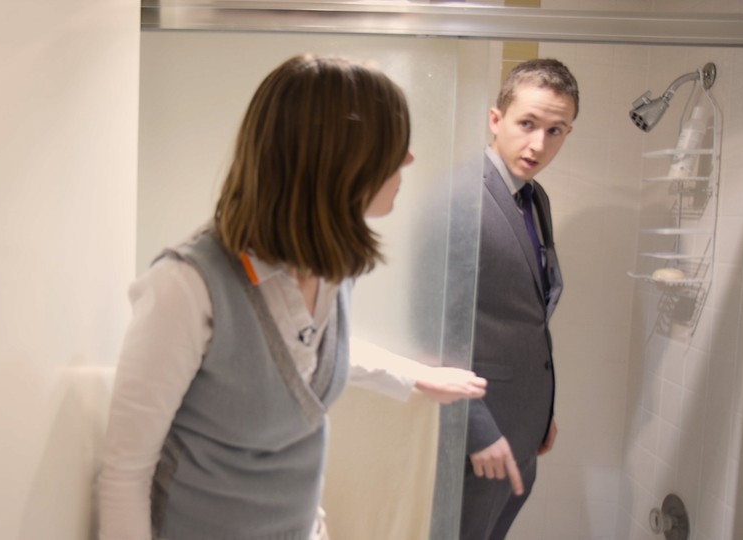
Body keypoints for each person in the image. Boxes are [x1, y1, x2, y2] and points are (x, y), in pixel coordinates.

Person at [96, 53, 487, 540]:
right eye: (393, 143)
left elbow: (297, 357)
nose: (408, 158)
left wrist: (415, 378)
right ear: (337, 159)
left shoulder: (331, 266)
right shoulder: (185, 287)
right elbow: (124, 475)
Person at [458, 58, 578, 540]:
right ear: (495, 119)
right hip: (479, 436)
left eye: (556, 130)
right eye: (527, 123)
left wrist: (540, 412)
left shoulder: (536, 197)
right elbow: (435, 331)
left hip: (524, 428)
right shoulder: (461, 195)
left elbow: (528, 314)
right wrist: (478, 428)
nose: (538, 144)